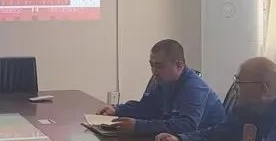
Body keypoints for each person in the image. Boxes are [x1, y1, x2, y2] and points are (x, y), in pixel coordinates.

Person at [95, 39, 225, 135]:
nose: (154, 71)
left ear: (179, 66)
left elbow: (186, 126)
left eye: (159, 66)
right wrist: (117, 110)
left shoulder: (194, 87)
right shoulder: (164, 81)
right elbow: (147, 108)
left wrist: (138, 126)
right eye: (151, 65)